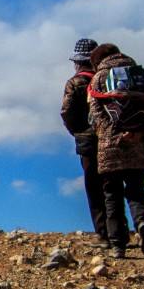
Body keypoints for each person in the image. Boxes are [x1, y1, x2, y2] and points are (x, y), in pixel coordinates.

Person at [86, 42, 144, 256]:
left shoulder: (99, 78)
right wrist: (140, 132)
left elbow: (97, 112)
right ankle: (142, 223)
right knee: (136, 192)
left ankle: (117, 245)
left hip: (111, 146)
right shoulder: (139, 74)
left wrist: (114, 134)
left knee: (112, 195)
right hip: (139, 145)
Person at [59, 38, 108, 243]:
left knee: (94, 186)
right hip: (111, 137)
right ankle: (120, 231)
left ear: (77, 62)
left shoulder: (75, 83)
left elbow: (66, 112)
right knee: (112, 186)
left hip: (87, 140)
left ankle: (103, 234)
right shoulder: (108, 79)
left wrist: (78, 132)